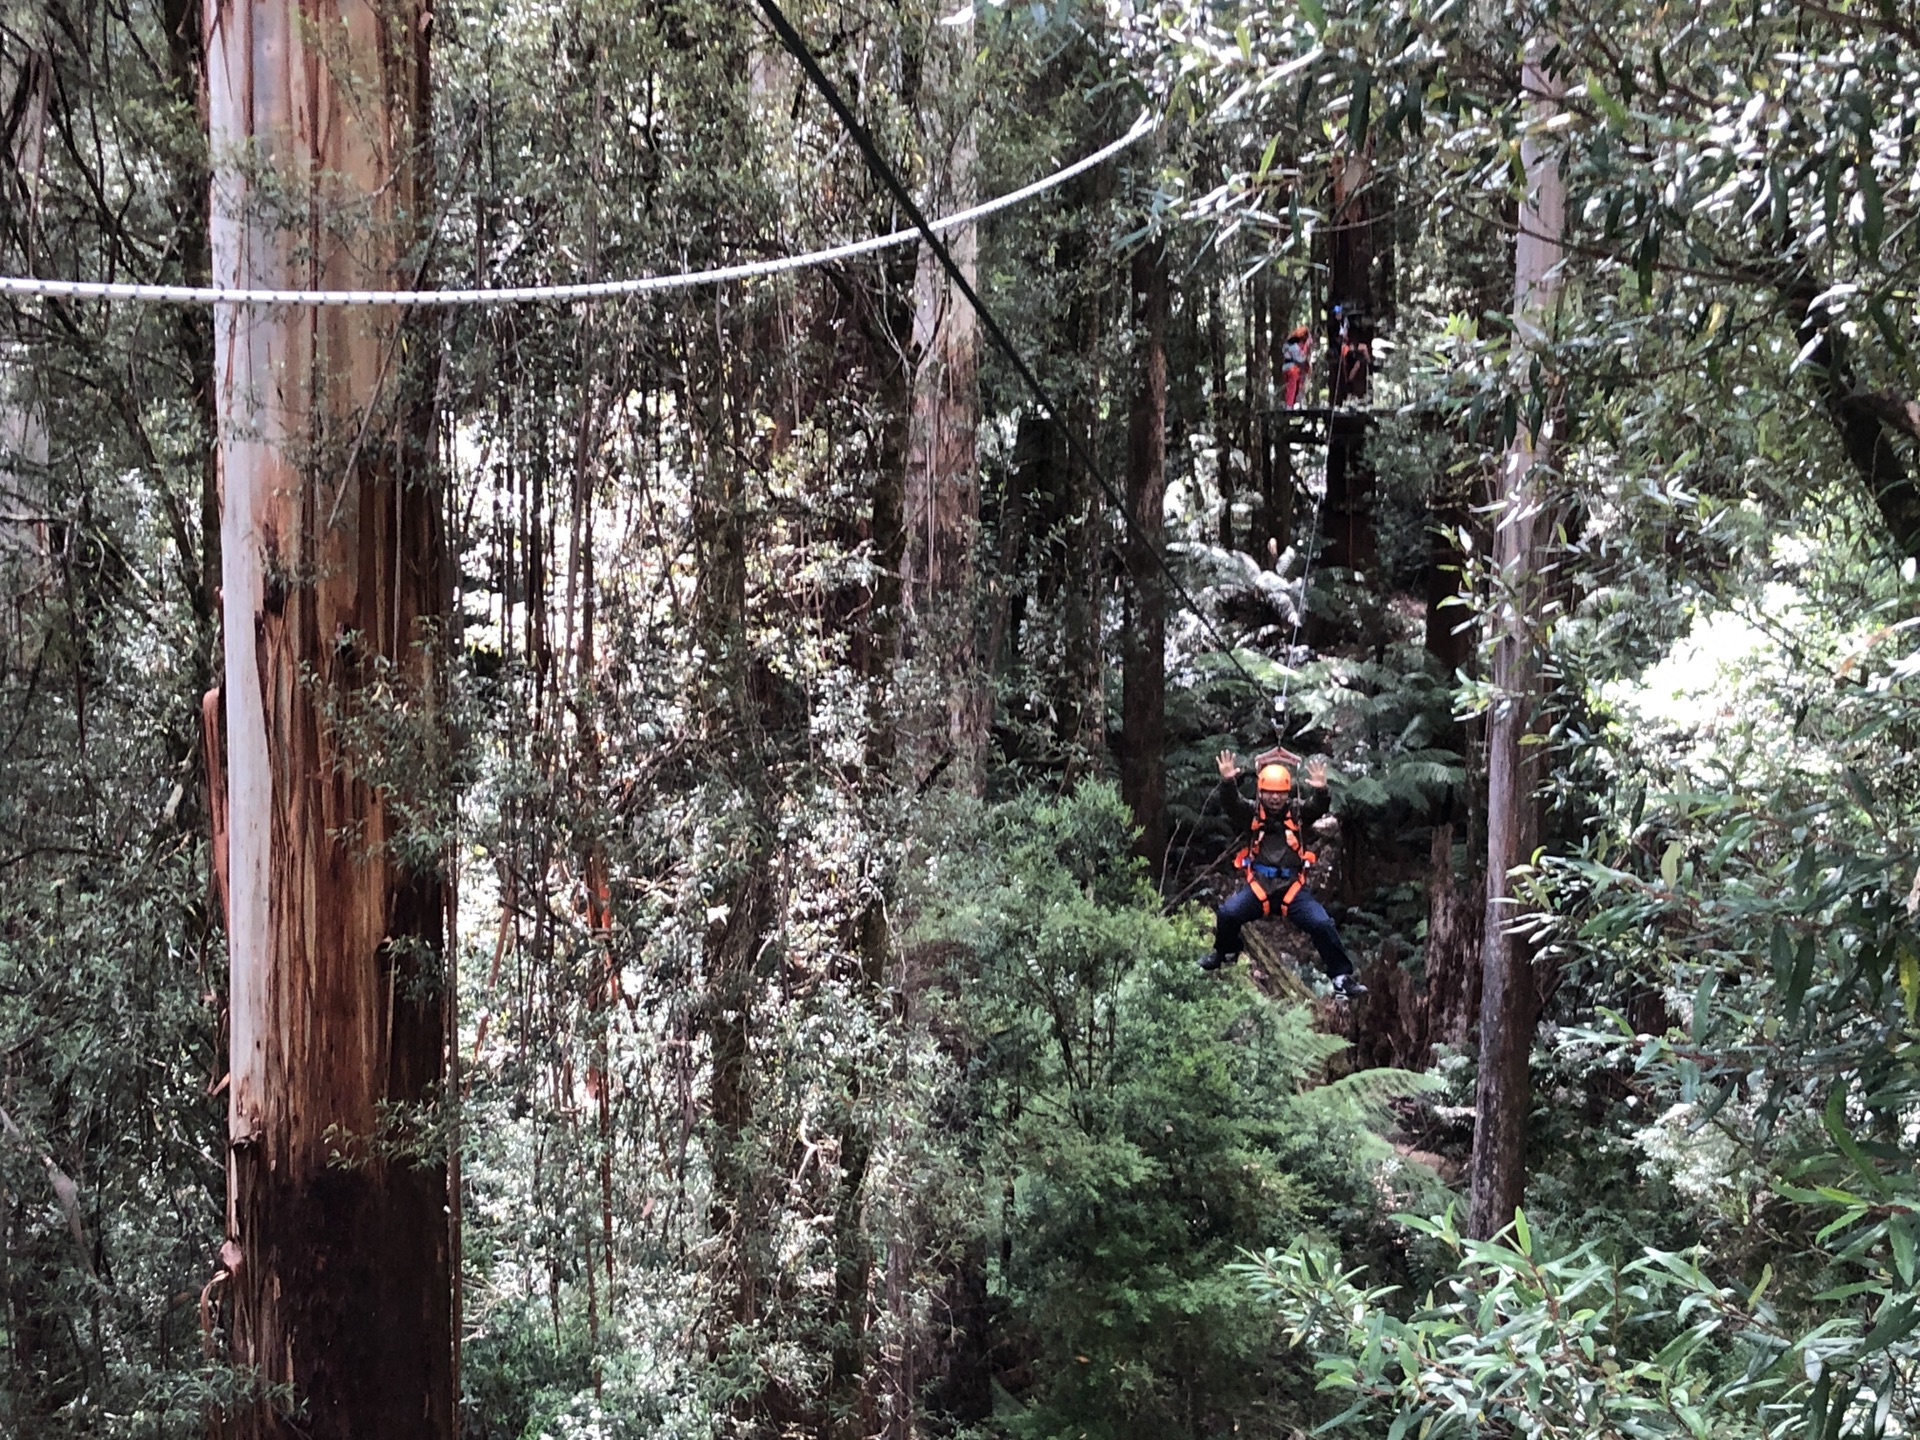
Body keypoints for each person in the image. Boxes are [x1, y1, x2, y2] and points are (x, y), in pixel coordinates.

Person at [1200, 747, 1366, 997]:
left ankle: (1341, 977)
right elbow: (1231, 804)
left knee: (1322, 924)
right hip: (1260, 886)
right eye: (1269, 793)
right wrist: (1227, 781)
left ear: (1287, 793)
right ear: (1261, 792)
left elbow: (1317, 807)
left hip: (1292, 887)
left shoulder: (1298, 813)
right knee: (1227, 914)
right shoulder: (1252, 812)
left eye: (1280, 794)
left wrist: (1321, 789)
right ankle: (1227, 952)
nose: (1275, 799)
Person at [1281, 325, 1312, 408]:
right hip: (1292, 369)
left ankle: (1290, 404)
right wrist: (1305, 355)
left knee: (1291, 386)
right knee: (1292, 386)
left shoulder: (1288, 344)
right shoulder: (1296, 347)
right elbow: (1300, 359)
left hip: (1285, 367)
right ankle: (1289, 405)